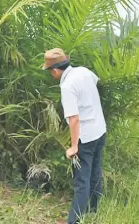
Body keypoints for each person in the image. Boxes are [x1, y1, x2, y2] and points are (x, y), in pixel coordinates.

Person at [43, 48, 107, 224]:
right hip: (100, 130)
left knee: (81, 181)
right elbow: (97, 83)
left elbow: (74, 119)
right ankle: (92, 211)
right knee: (95, 172)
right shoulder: (84, 71)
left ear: (55, 70)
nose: (51, 74)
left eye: (50, 71)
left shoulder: (67, 86)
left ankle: (74, 221)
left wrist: (73, 147)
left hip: (85, 137)